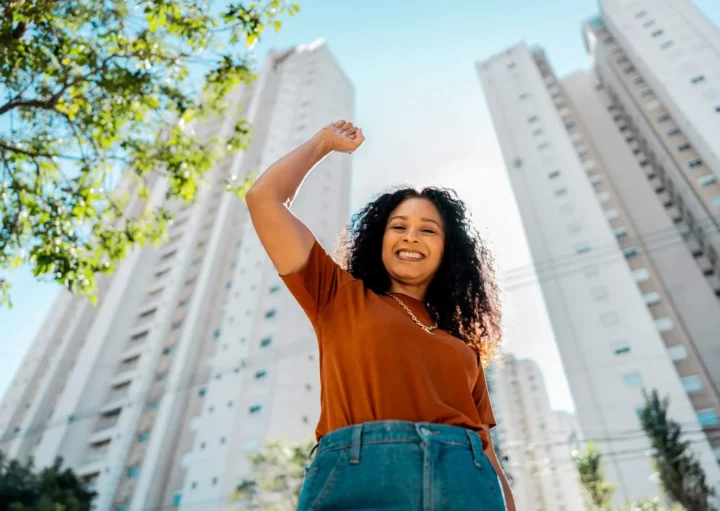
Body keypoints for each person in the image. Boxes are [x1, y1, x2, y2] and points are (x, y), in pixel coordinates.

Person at [246, 120, 515, 511]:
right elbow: (263, 198)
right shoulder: (335, 293)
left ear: (448, 250)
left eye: (428, 230)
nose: (411, 236)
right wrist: (323, 143)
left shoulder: (463, 347)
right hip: (361, 476)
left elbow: (487, 454)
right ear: (380, 239)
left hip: (465, 481)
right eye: (399, 226)